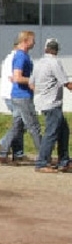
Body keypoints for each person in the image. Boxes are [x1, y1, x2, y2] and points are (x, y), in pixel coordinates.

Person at [0, 31, 42, 163]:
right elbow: (17, 77)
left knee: (18, 125)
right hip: (22, 96)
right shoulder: (21, 56)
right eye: (33, 40)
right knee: (33, 126)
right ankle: (44, 156)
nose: (34, 42)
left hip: (16, 95)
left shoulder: (20, 56)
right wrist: (31, 82)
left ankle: (4, 151)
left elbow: (14, 77)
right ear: (26, 40)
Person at [30, 38, 72, 173]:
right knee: (51, 133)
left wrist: (41, 92)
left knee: (64, 131)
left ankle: (64, 161)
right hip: (52, 103)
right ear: (57, 50)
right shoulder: (55, 63)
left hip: (43, 102)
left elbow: (31, 83)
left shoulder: (39, 63)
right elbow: (65, 82)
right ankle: (42, 162)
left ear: (45, 49)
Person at [0, 40, 25, 164]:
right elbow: (14, 77)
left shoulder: (9, 57)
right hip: (12, 95)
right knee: (19, 123)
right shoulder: (16, 58)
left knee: (19, 123)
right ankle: (4, 143)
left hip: (8, 94)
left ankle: (18, 153)